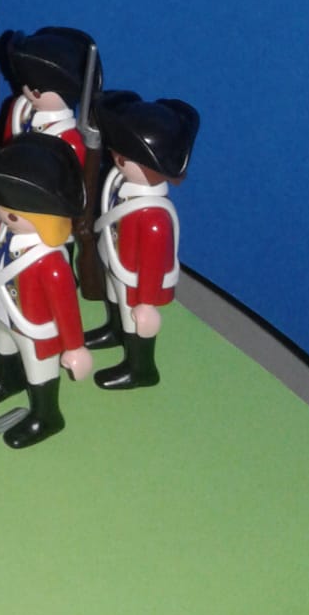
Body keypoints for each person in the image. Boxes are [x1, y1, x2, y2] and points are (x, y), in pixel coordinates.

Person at [0, 136, 92, 446]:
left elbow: (66, 308)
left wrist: (75, 347)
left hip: (35, 326)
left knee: (40, 370)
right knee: (3, 344)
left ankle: (46, 413)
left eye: (13, 213)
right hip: (0, 307)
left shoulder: (51, 263)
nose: (2, 214)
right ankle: (8, 378)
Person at [88, 90, 200, 390]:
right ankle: (115, 331)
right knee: (115, 298)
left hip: (136, 279)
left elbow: (151, 265)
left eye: (125, 157)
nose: (116, 158)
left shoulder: (154, 218)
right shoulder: (120, 184)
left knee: (135, 317)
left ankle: (140, 367)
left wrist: (147, 303)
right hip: (117, 260)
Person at [0, 26, 97, 165]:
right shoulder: (18, 109)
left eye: (36, 92)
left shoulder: (70, 142)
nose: (27, 91)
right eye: (24, 83)